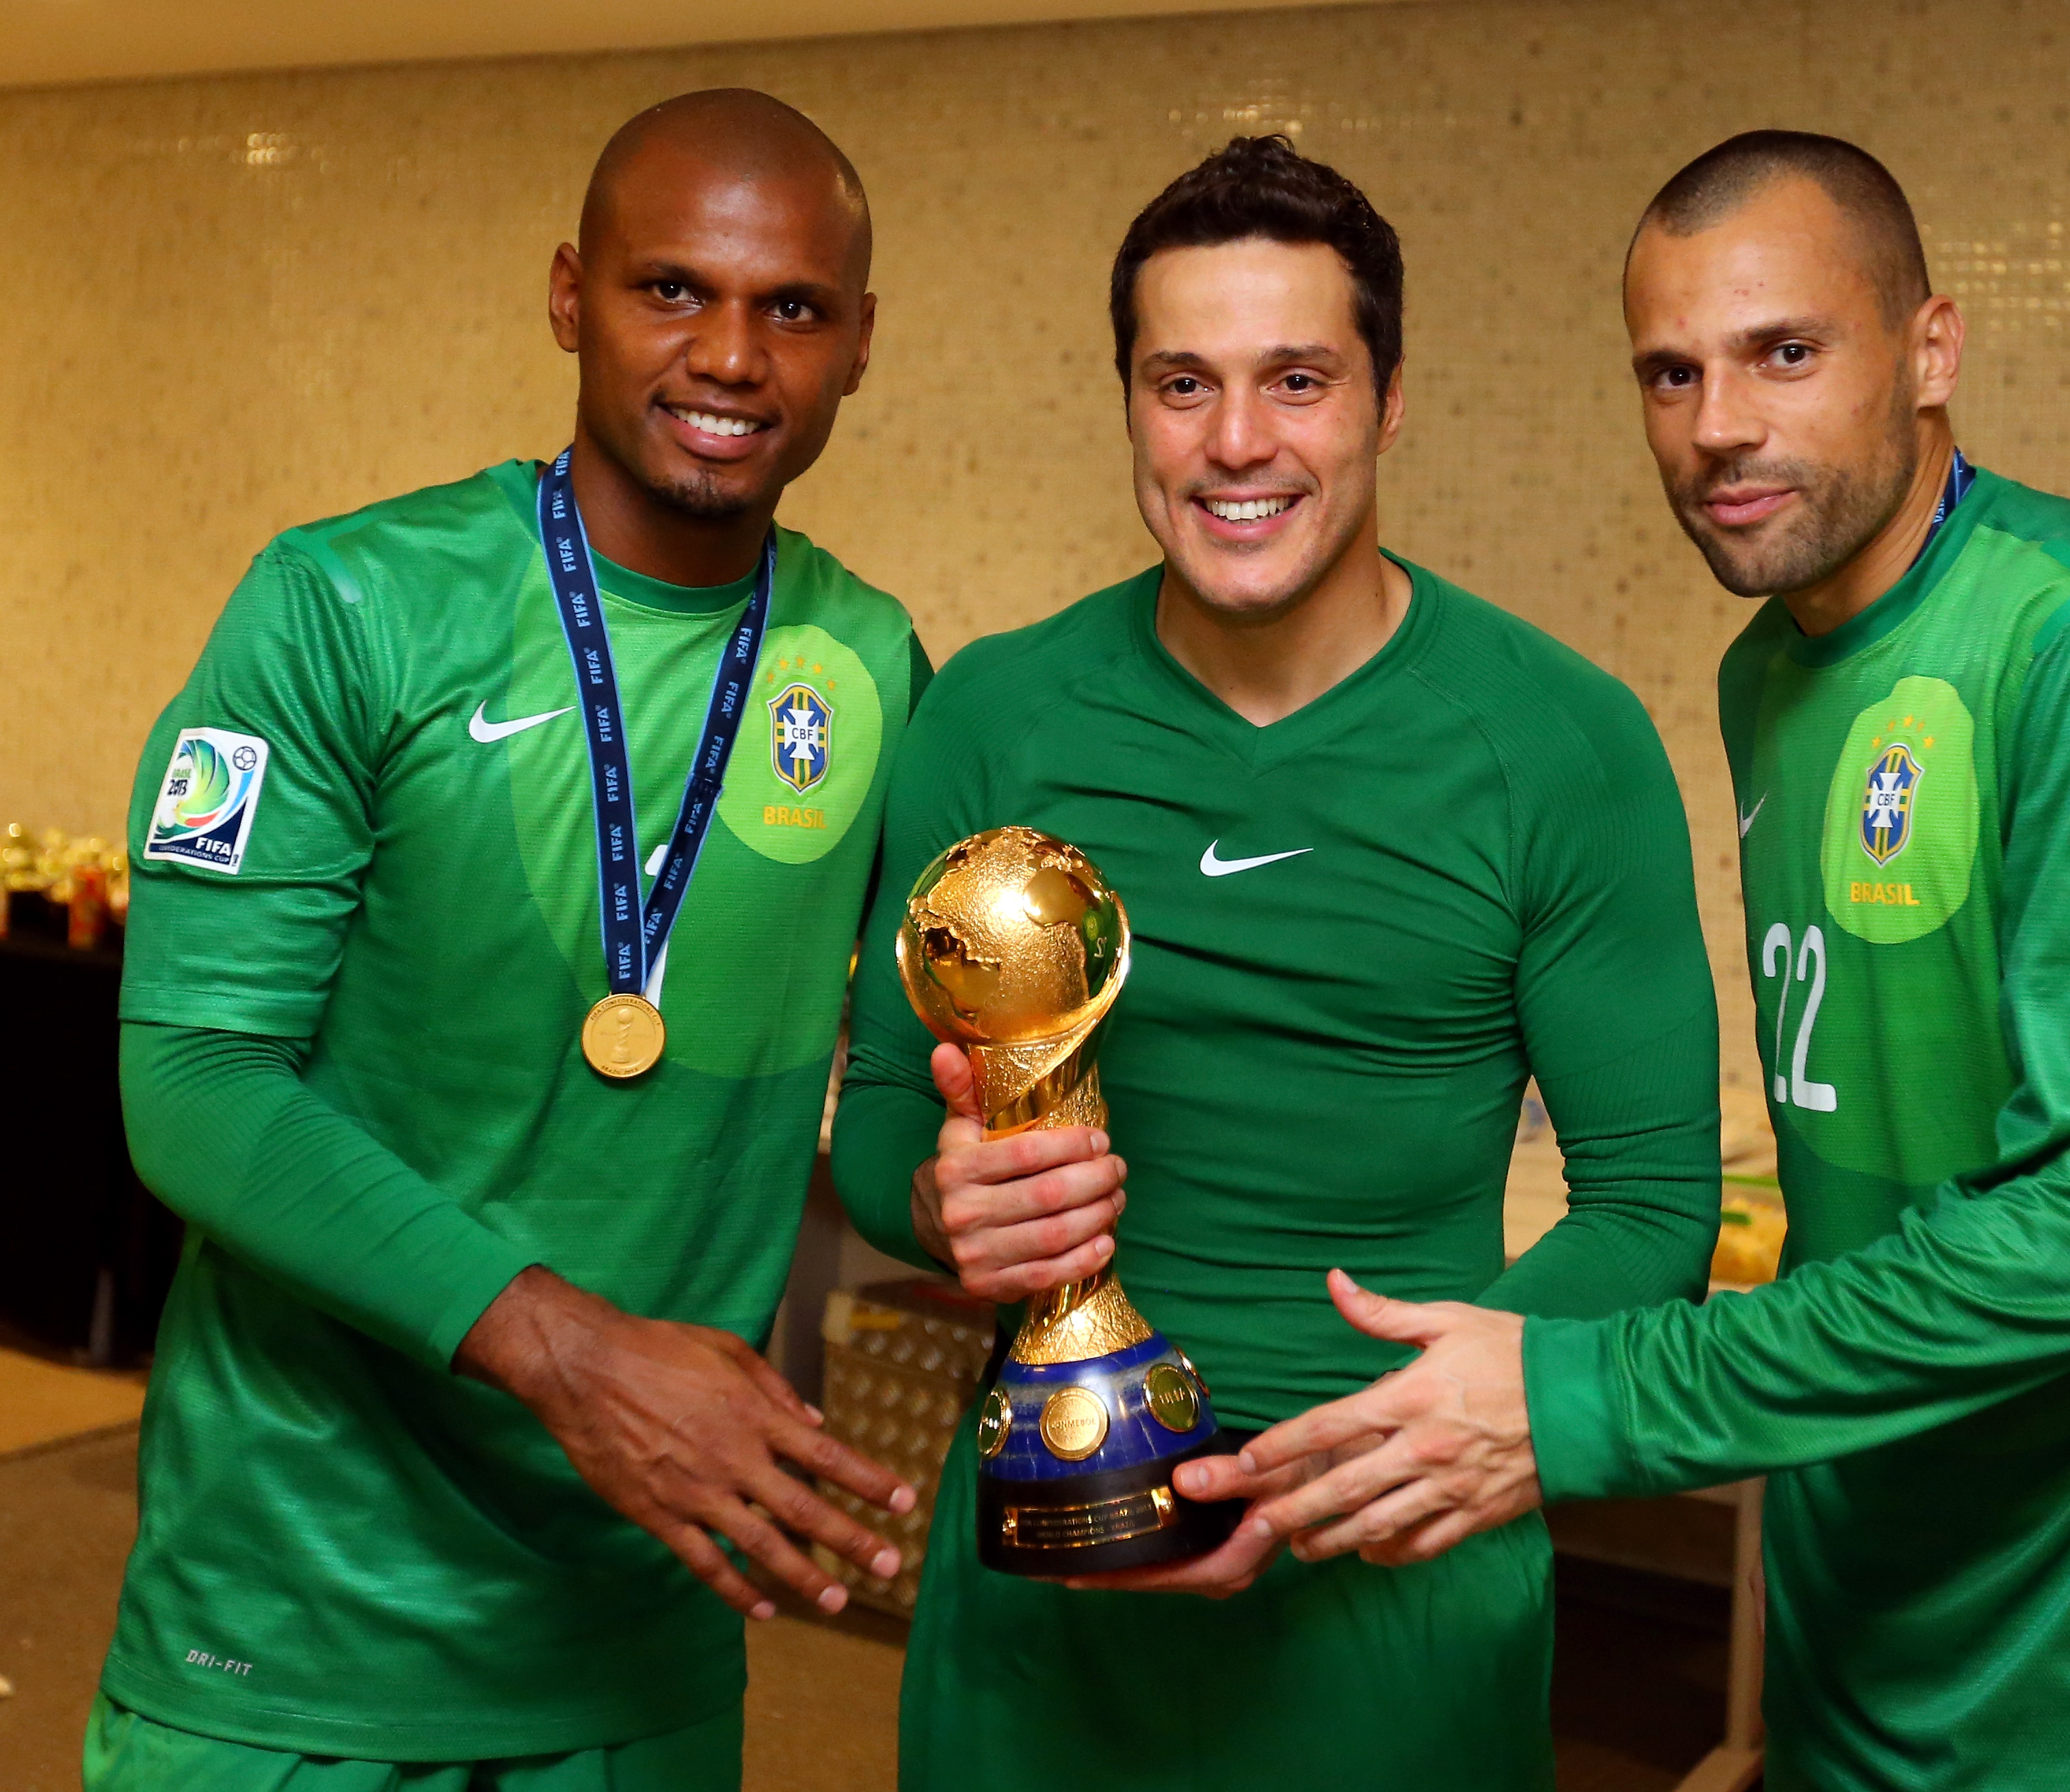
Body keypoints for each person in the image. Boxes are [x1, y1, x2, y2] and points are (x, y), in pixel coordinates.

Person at [1234, 131, 2070, 1792]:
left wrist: (1590, 1390)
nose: (1716, 425)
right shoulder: (1763, 674)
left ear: (1930, 351)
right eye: (1668, 369)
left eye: (1785, 352)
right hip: (1870, 1643)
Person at [829, 133, 1719, 1789]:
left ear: (1387, 402)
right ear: (1128, 406)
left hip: (1396, 1581)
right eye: (1183, 383)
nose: (1237, 442)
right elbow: (882, 1118)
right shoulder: (993, 716)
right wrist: (947, 1201)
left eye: (1296, 378)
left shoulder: (1563, 742)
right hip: (1048, 1563)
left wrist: (1416, 1436)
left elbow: (1653, 1210)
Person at [85, 90, 929, 1792]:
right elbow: (192, 1077)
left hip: (644, 1644)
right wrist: (573, 1347)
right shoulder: (348, 607)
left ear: (857, 346)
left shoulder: (872, 665)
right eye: (671, 288)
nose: (732, 355)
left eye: (794, 309)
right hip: (295, 1634)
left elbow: (903, 1100)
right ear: (568, 296)